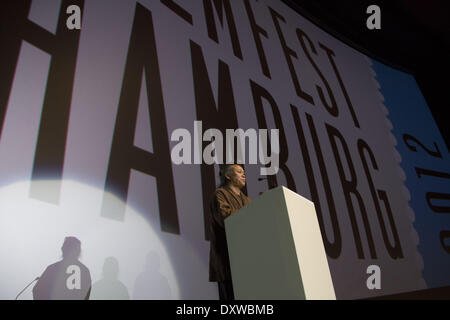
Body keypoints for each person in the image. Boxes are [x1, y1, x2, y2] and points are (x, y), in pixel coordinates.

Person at [209, 164, 251, 301]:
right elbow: (225, 217)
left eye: (244, 172)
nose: (244, 175)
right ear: (228, 176)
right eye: (239, 172)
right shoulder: (220, 194)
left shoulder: (247, 200)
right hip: (227, 260)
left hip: (247, 261)